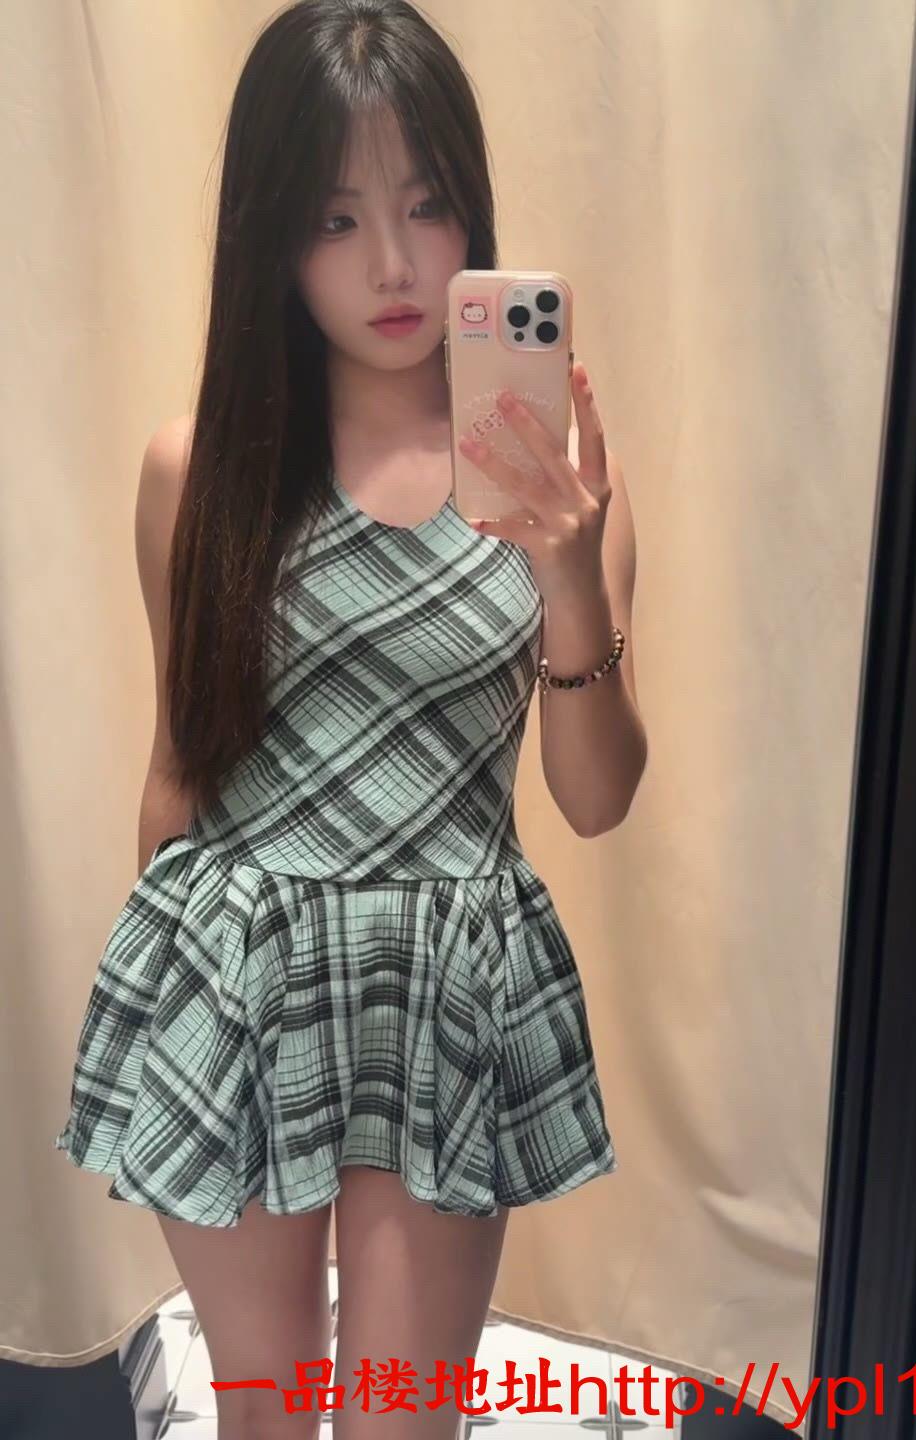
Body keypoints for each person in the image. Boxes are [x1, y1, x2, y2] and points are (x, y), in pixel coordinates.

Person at [54, 1, 646, 1435]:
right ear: (272, 237)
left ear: (474, 212)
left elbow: (594, 798)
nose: (393, 264)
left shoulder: (558, 476)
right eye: (336, 219)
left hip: (445, 984)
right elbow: (181, 761)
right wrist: (160, 1008)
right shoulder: (200, 471)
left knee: (404, 1417)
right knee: (265, 1415)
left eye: (427, 205)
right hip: (240, 974)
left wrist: (572, 575)